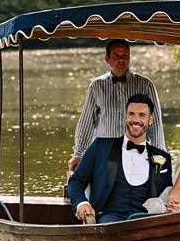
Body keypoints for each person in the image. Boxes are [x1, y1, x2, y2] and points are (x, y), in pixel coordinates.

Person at [68, 94, 173, 224]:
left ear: (150, 119)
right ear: (125, 117)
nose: (135, 120)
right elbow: (76, 181)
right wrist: (82, 203)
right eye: (131, 114)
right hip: (109, 220)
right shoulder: (100, 146)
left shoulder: (163, 158)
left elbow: (167, 194)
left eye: (142, 115)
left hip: (147, 222)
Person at [67, 39, 164, 173]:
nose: (121, 60)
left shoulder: (145, 85)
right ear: (107, 59)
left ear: (129, 57)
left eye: (125, 55)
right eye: (116, 56)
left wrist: (159, 154)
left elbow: (156, 123)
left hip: (137, 152)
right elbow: (87, 123)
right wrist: (78, 154)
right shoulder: (97, 86)